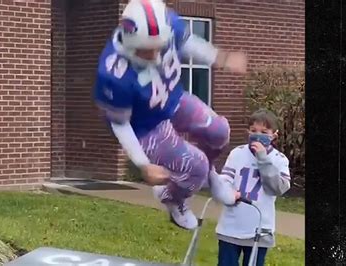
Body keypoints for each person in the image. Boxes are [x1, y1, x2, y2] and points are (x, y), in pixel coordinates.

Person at [93, 0, 247, 230]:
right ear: (129, 41)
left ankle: (211, 175)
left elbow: (187, 43)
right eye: (146, 50)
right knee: (195, 166)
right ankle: (174, 199)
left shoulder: (167, 22)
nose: (155, 55)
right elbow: (121, 124)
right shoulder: (114, 74)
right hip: (146, 126)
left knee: (219, 131)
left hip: (172, 98)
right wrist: (143, 165)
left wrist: (220, 58)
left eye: (159, 46)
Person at [209, 108, 291, 266]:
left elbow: (278, 188)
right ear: (248, 132)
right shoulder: (237, 153)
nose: (258, 135)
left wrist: (263, 158)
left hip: (259, 229)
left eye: (264, 132)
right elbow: (226, 179)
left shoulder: (280, 160)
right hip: (231, 226)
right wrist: (226, 191)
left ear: (274, 135)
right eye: (254, 131)